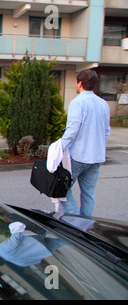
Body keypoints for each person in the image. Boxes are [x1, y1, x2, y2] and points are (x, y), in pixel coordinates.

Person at [60, 70, 111, 217]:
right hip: (96, 157)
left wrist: (59, 149)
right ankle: (85, 225)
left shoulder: (78, 102)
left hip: (78, 156)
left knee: (61, 189)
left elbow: (72, 131)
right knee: (88, 194)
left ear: (80, 83)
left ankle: (74, 221)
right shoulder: (103, 104)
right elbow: (106, 131)